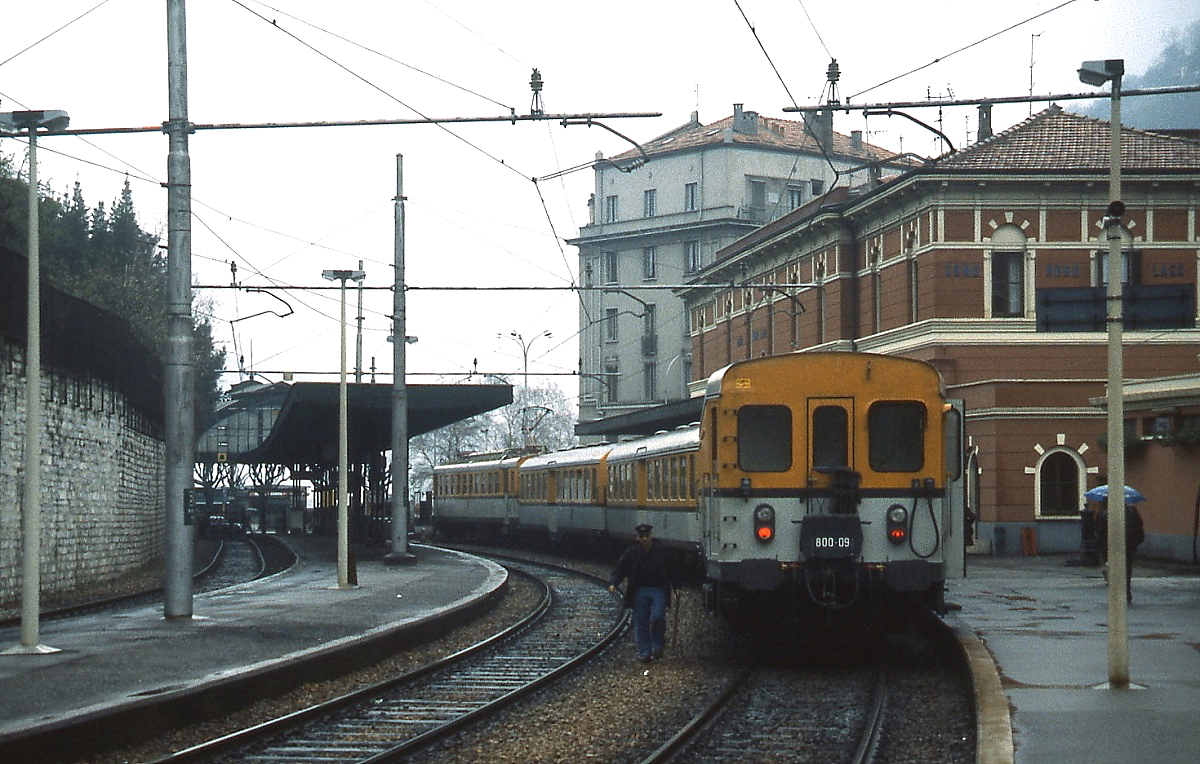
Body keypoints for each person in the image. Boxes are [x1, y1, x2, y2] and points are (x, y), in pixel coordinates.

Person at [608, 524, 677, 663]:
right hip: (639, 590)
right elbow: (620, 568)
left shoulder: (661, 551)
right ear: (637, 538)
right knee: (641, 622)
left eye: (647, 536)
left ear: (651, 536)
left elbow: (672, 568)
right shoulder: (631, 553)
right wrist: (614, 582)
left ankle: (657, 645)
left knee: (658, 617)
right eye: (641, 536)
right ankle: (645, 652)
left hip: (658, 589)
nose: (644, 539)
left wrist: (677, 585)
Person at [1096, 501, 1146, 602]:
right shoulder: (1132, 511)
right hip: (1128, 545)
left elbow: (1100, 532)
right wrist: (1135, 542)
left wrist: (1101, 547)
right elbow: (1139, 526)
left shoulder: (1105, 514)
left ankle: (1116, 592)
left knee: (1112, 568)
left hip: (1111, 547)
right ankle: (1126, 590)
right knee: (1127, 568)